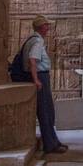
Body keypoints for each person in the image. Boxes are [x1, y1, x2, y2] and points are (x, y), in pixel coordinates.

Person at [25, 15, 68, 155]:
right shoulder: (37, 41)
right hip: (40, 77)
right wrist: (36, 79)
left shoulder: (33, 40)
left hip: (40, 76)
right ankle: (50, 144)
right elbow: (33, 60)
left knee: (48, 111)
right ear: (40, 27)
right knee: (45, 112)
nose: (48, 28)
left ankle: (54, 141)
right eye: (46, 25)